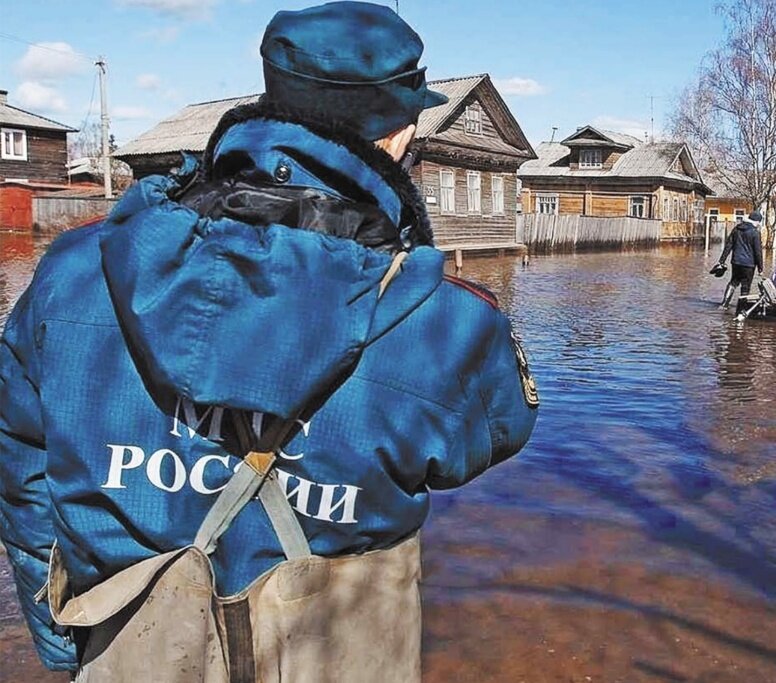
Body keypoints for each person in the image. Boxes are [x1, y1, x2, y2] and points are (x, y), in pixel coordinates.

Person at [0, 3, 538, 681]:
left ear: (270, 97)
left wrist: (57, 636)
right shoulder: (447, 326)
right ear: (402, 135)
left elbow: (23, 471)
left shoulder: (75, 274)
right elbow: (494, 431)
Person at [717, 210, 764, 309]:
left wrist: (722, 260)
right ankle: (741, 309)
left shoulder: (736, 229)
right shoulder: (755, 233)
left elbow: (728, 245)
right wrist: (760, 267)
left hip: (736, 262)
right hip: (749, 264)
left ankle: (724, 304)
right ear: (757, 221)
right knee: (745, 286)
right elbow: (758, 251)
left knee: (733, 282)